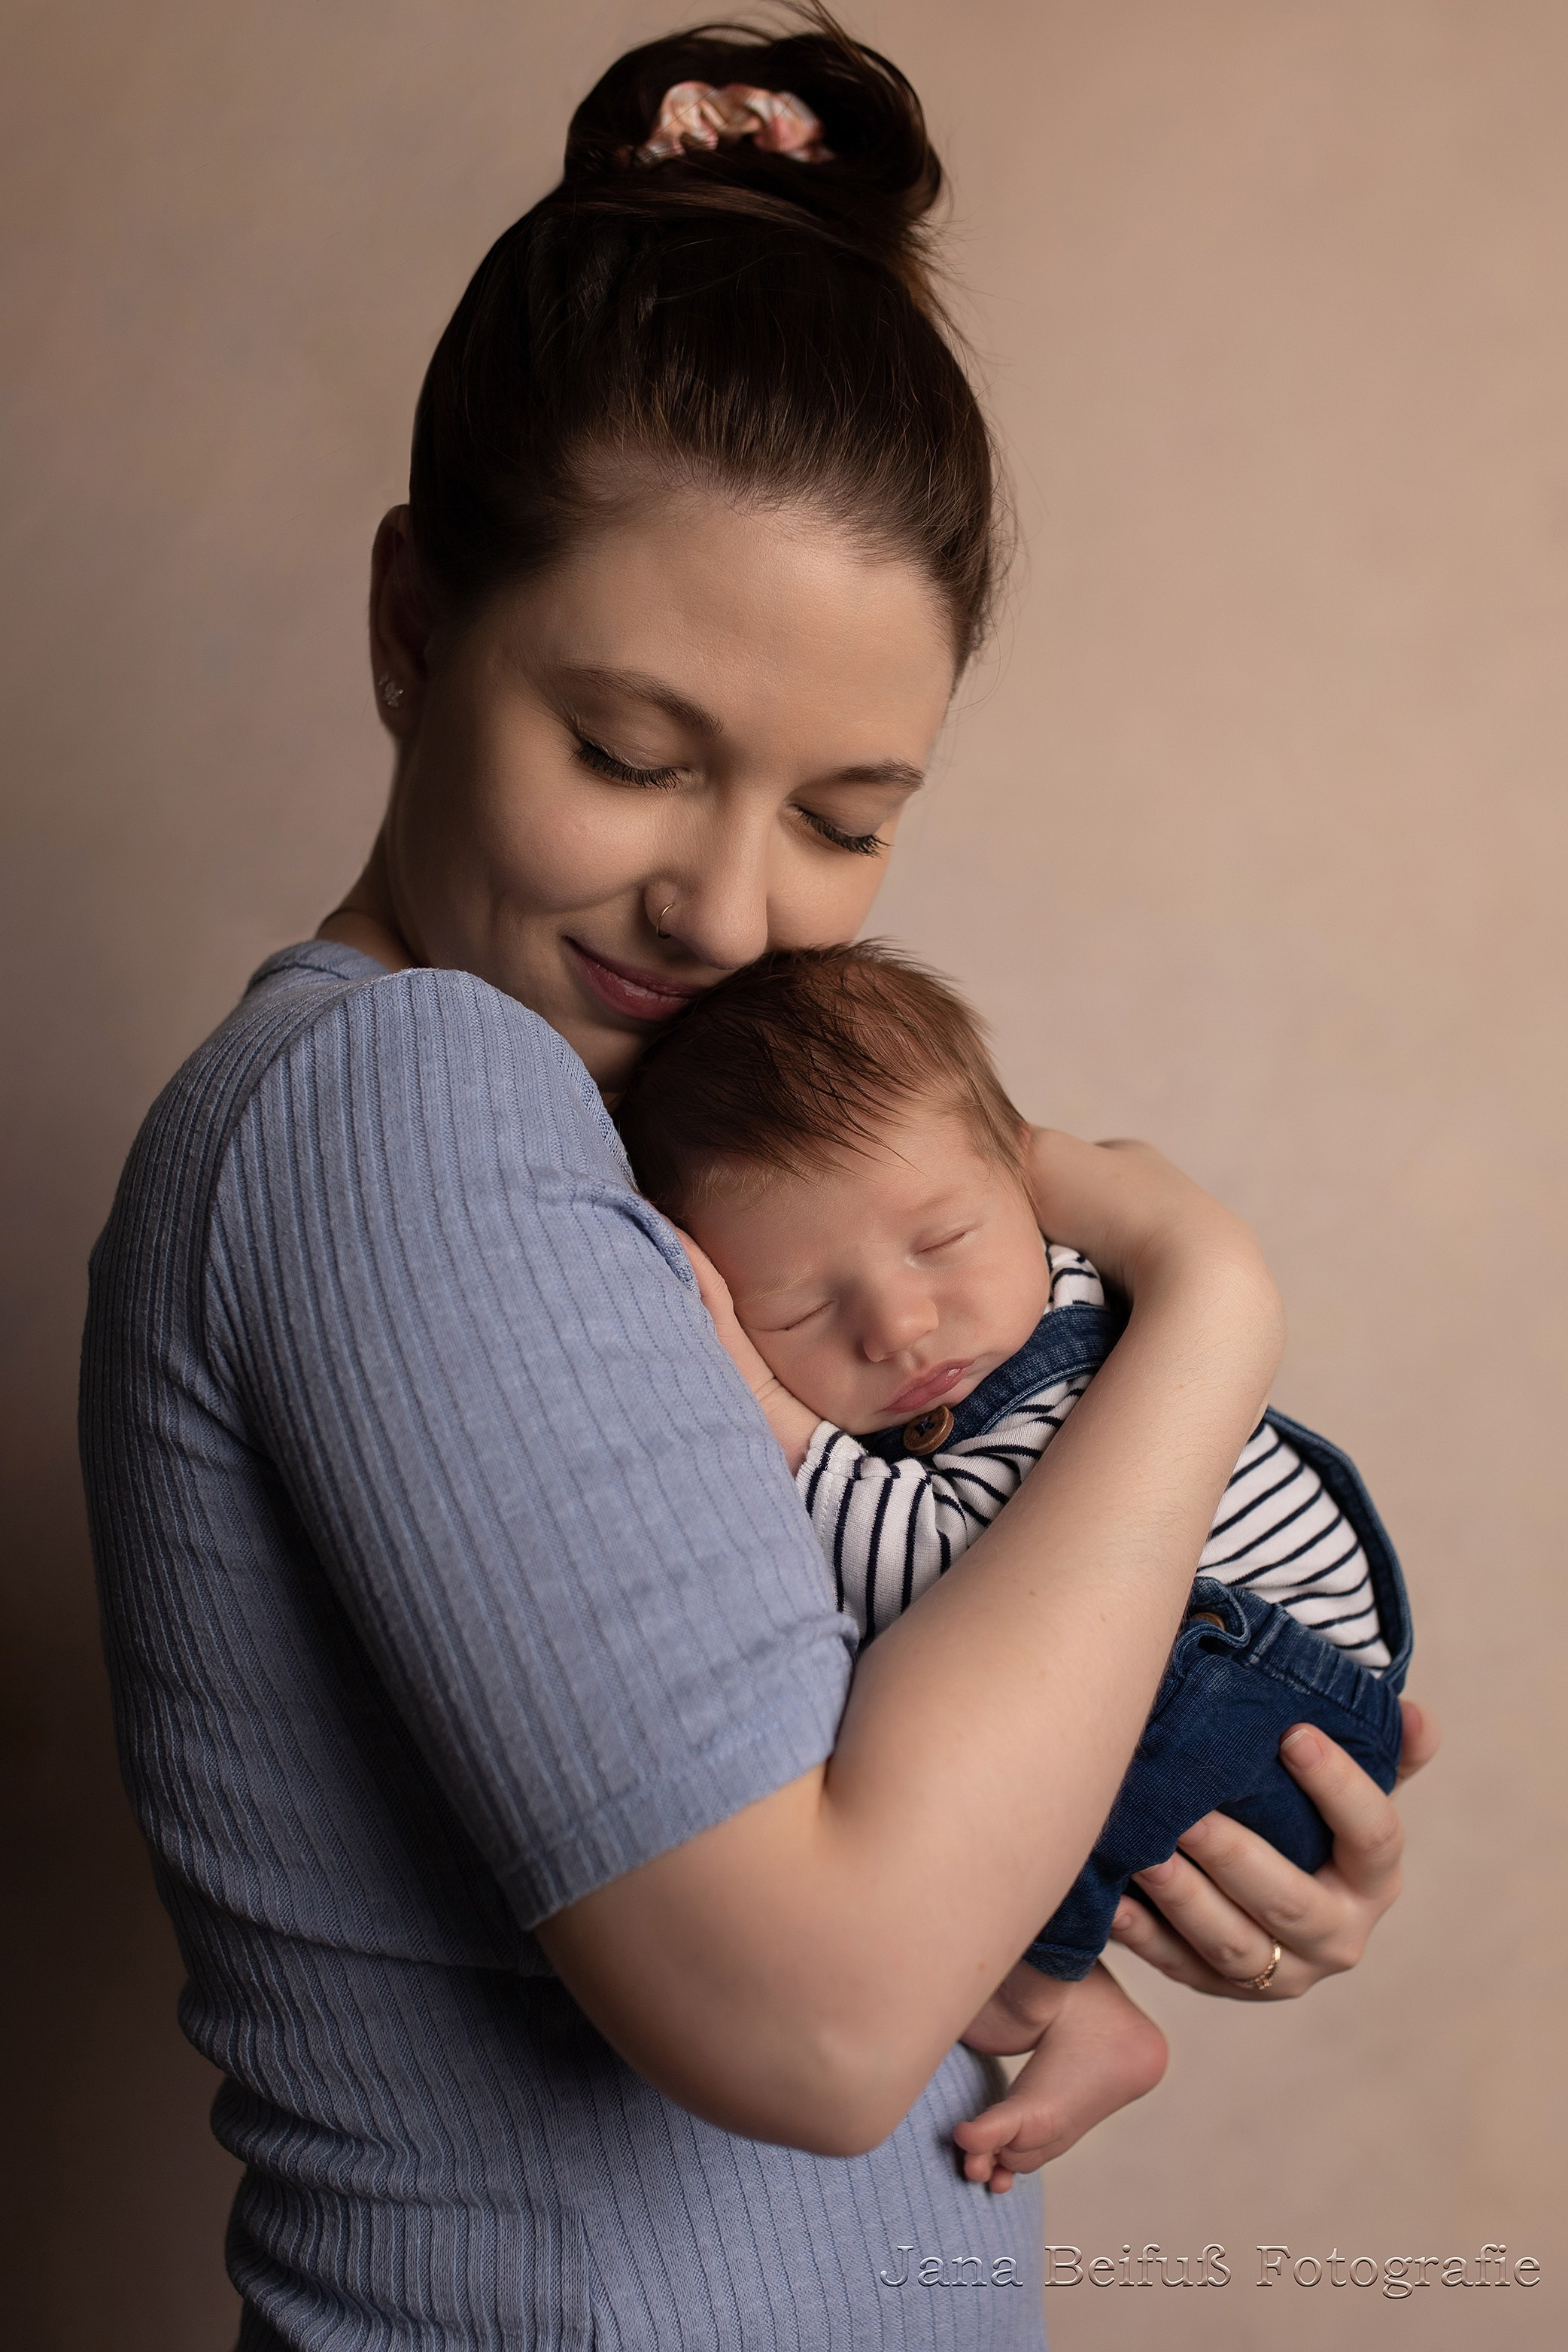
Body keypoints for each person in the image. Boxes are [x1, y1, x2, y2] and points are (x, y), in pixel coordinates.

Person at [78, 13, 1436, 2347]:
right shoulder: (411, 1099)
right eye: (627, 752)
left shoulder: (618, 1175)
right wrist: (1204, 1299)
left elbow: (873, 1823)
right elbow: (810, 2018)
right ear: (413, 627)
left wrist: (1150, 1828)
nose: (724, 907)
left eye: (843, 816)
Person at [615, 941, 1412, 2192]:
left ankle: (1037, 1980)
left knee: (970, 1684)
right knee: (998, 1741)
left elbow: (950, 1588)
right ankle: (1091, 2003)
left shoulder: (1053, 1377)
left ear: (1029, 1189)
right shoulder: (1011, 1333)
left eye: (941, 1238)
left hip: (1266, 1691)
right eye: (797, 1311)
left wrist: (776, 1411)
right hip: (1234, 1696)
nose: (898, 1324)